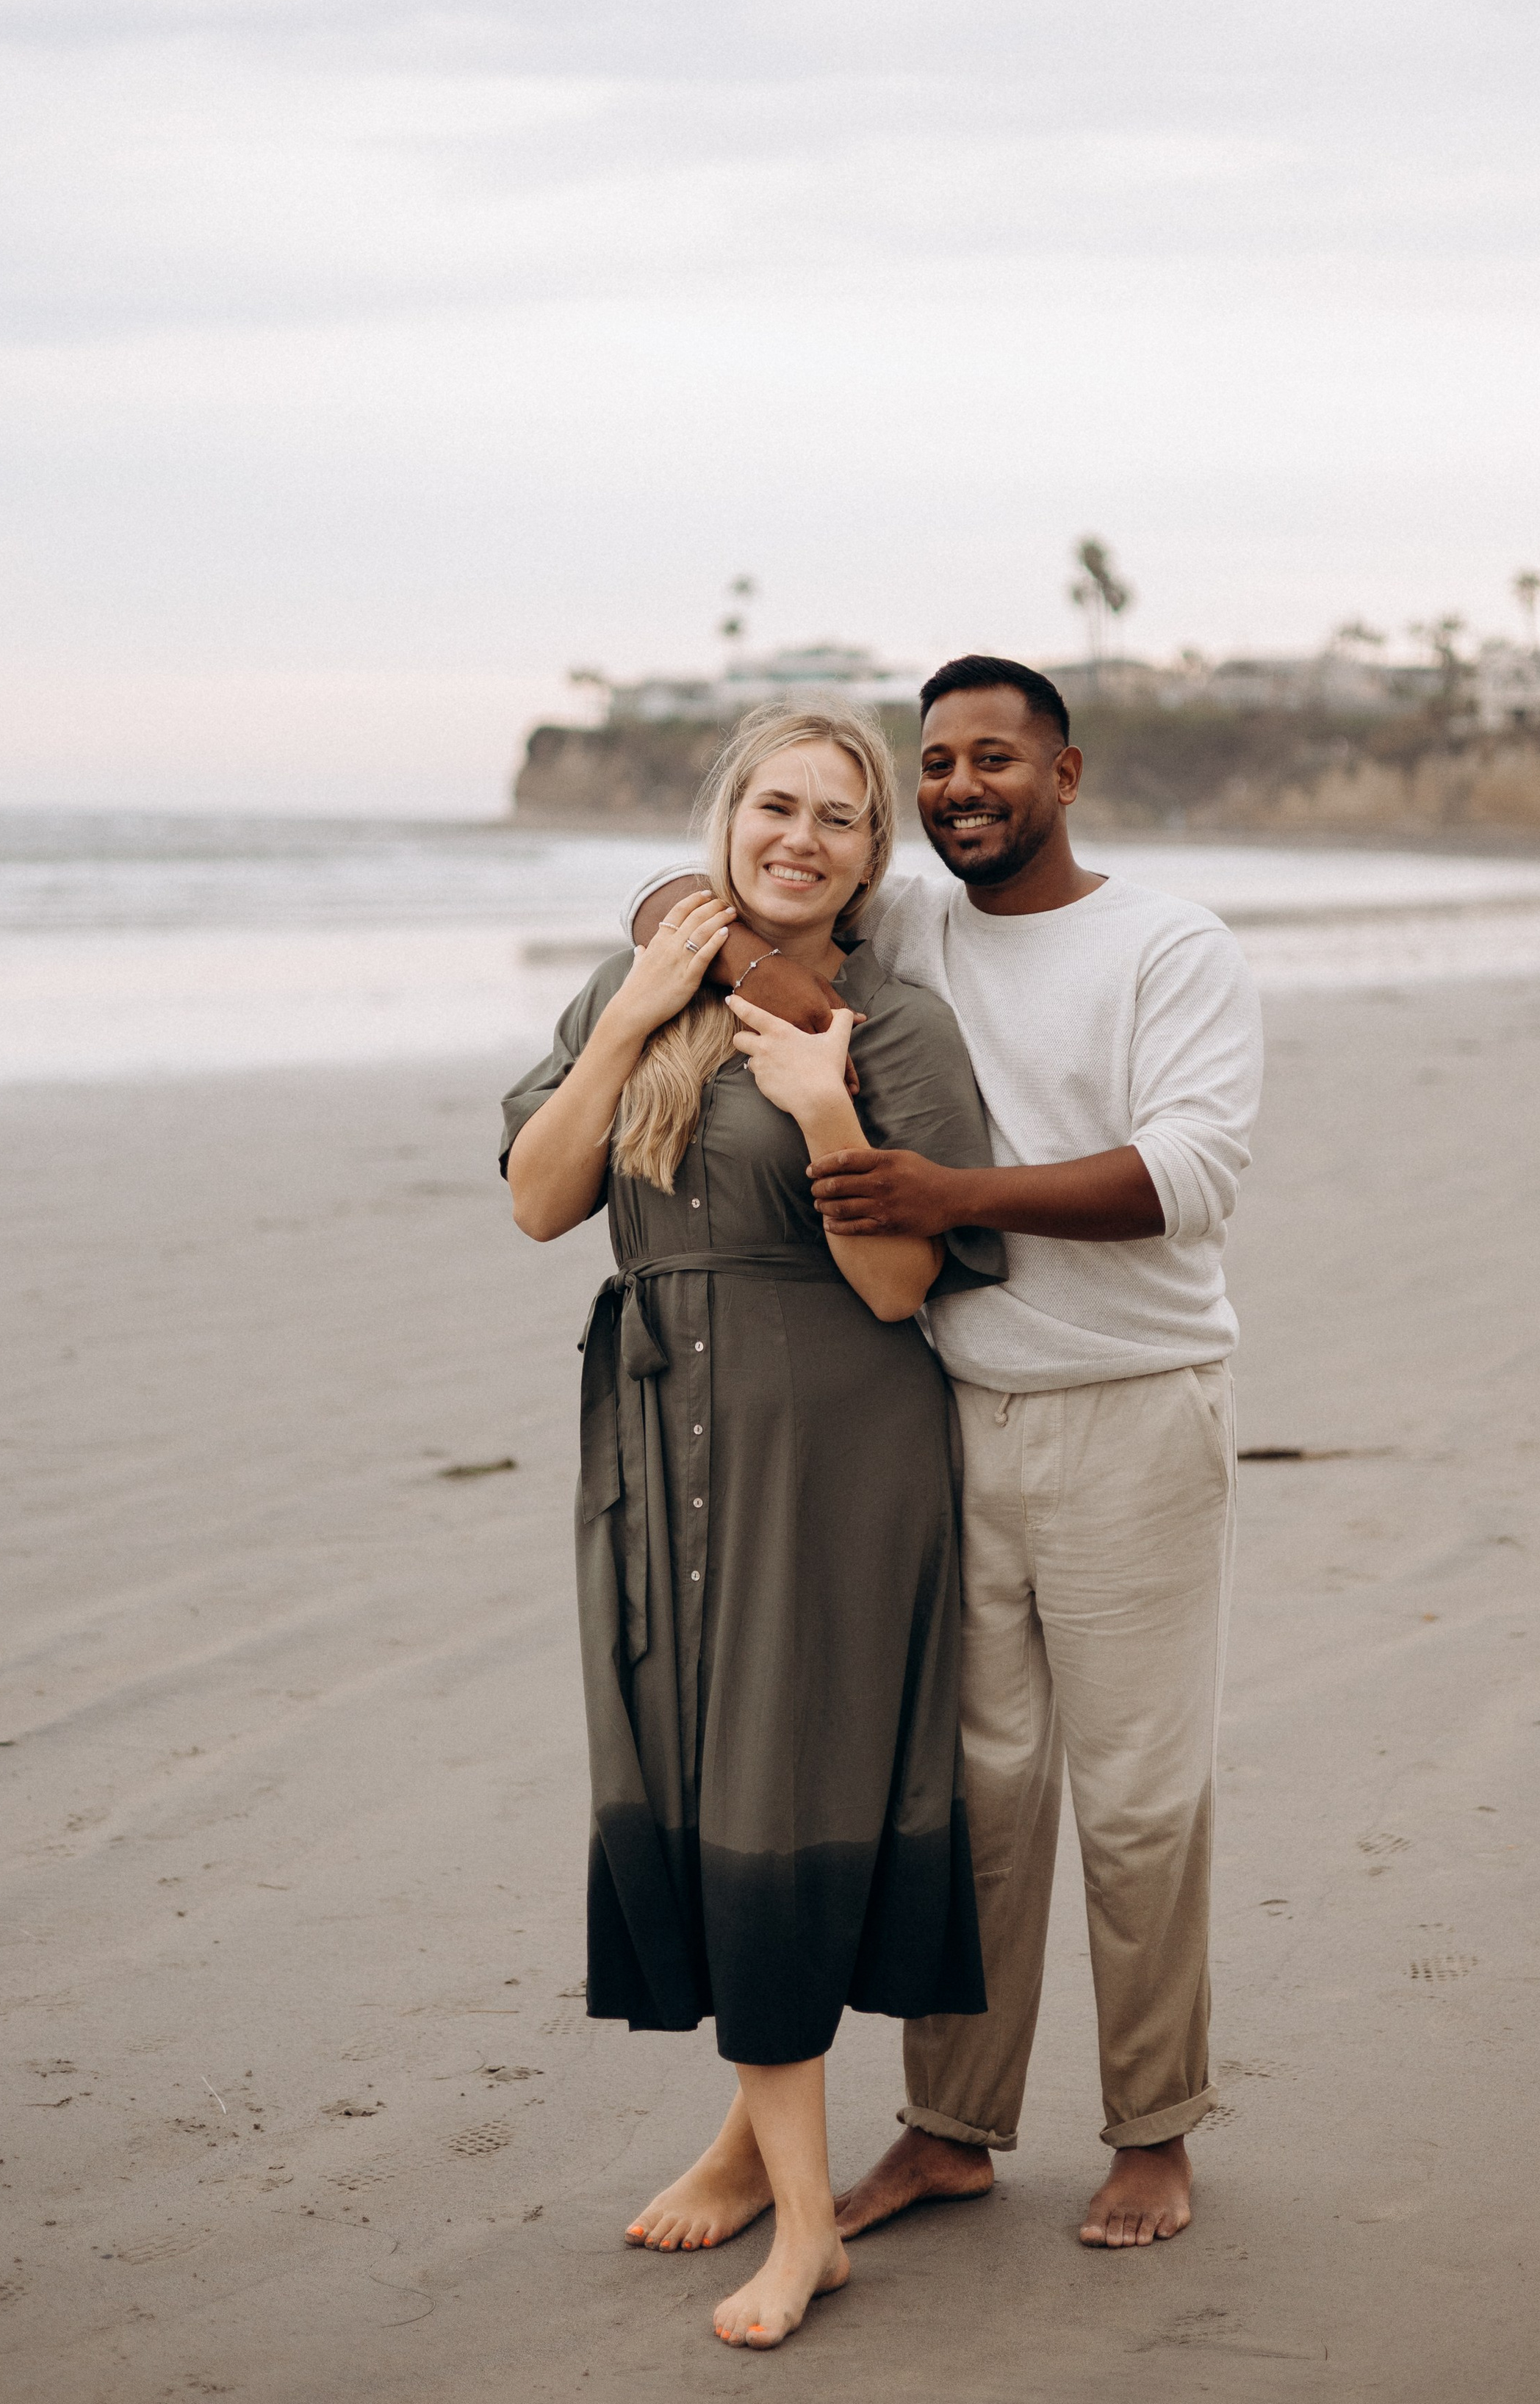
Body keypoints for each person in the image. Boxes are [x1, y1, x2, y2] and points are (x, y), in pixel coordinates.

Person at [632, 653, 1262, 2251]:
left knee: (1132, 1798)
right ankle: (952, 2129)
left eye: (997, 758)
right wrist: (677, 924)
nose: (962, 786)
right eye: (936, 766)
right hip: (953, 1414)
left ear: (1064, 773)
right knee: (972, 1802)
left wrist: (947, 1196)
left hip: (1132, 1402)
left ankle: (1152, 2130)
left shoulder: (1166, 944)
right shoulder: (907, 928)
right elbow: (722, 903)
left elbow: (1191, 1171)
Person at [502, 702, 1004, 2350]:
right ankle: (750, 2139)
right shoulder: (634, 978)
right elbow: (539, 1199)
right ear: (725, 818)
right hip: (658, 1426)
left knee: (776, 1793)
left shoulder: (896, 1026)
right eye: (772, 805)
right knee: (702, 1774)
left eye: (839, 820)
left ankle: (806, 2231)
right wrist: (632, 1014)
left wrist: (826, 1109)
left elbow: (896, 1284)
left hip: (832, 1449)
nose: (799, 837)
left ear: (872, 859)